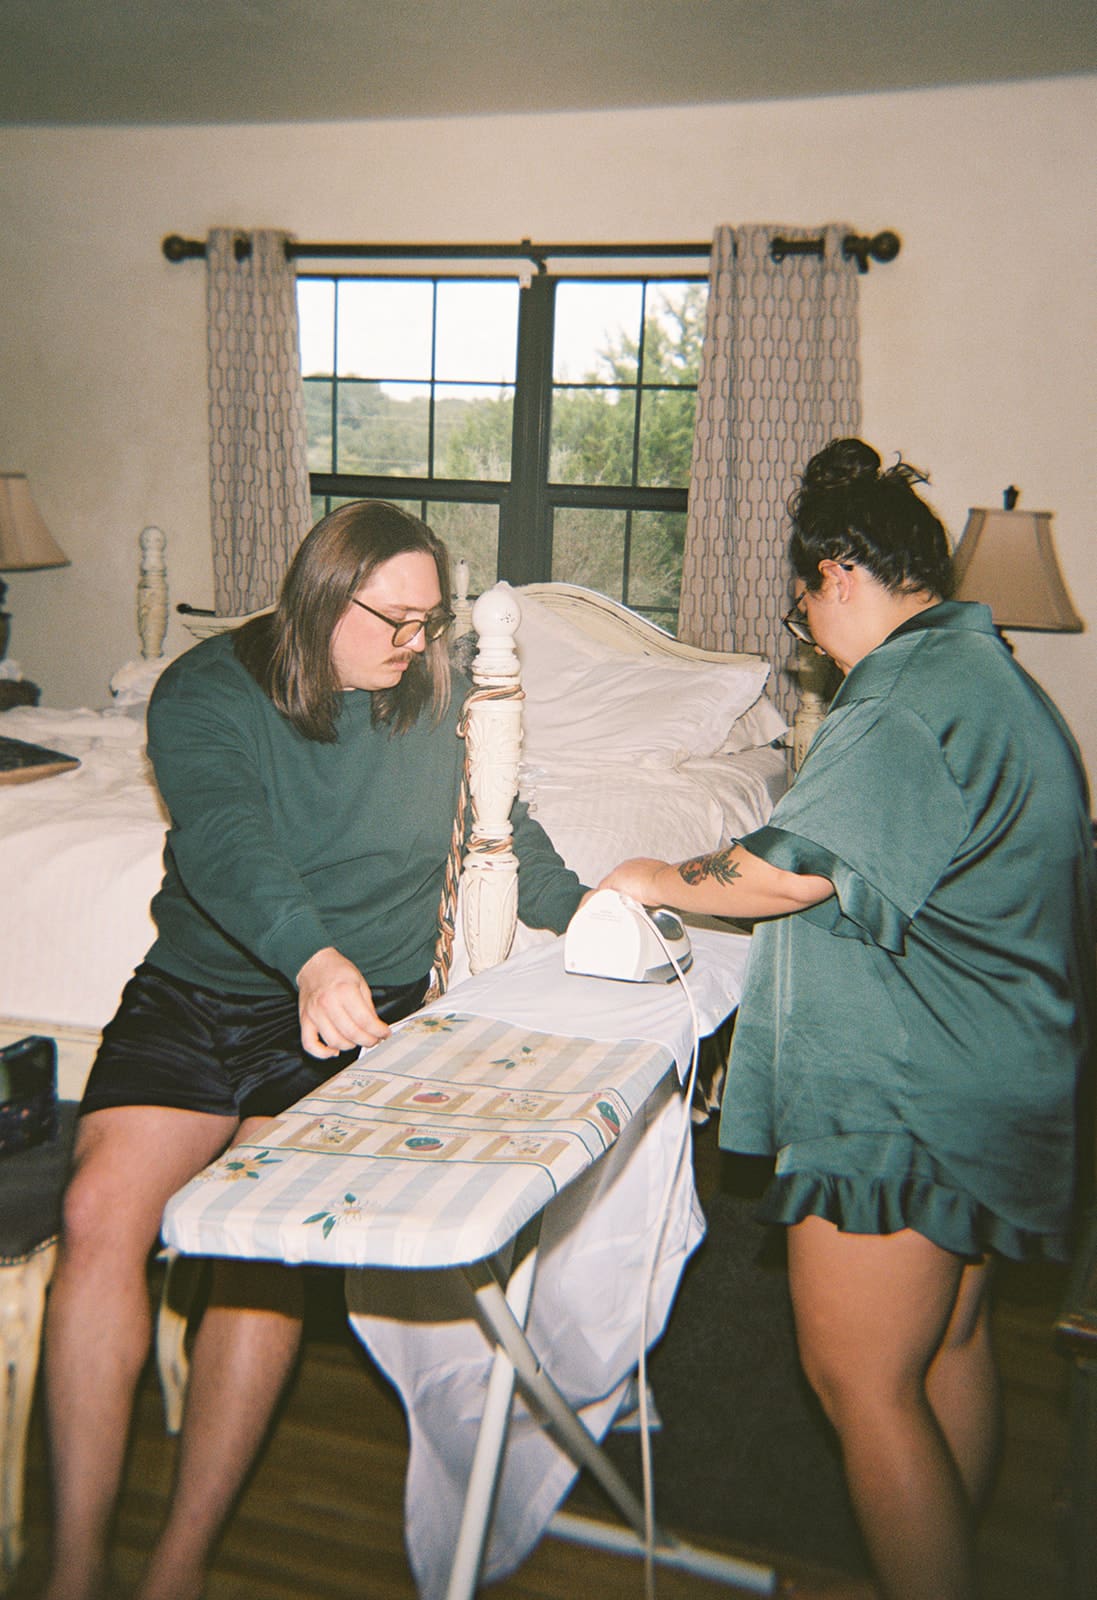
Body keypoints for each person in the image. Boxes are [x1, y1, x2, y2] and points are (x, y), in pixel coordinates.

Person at [41, 500, 585, 1600]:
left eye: (432, 620)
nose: (418, 644)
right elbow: (228, 839)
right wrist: (308, 956)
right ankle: (74, 1562)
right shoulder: (205, 691)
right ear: (323, 598)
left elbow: (504, 831)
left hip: (356, 1013)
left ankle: (177, 1568)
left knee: (253, 1245)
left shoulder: (436, 693)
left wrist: (602, 911)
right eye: (396, 619)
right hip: (207, 992)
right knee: (102, 1213)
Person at [600, 438, 1095, 1600]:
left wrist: (650, 876)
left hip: (905, 1098)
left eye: (800, 606)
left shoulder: (907, 699)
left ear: (836, 575)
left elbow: (787, 872)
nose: (806, 635)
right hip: (997, 1070)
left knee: (861, 1385)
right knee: (940, 1354)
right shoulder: (988, 679)